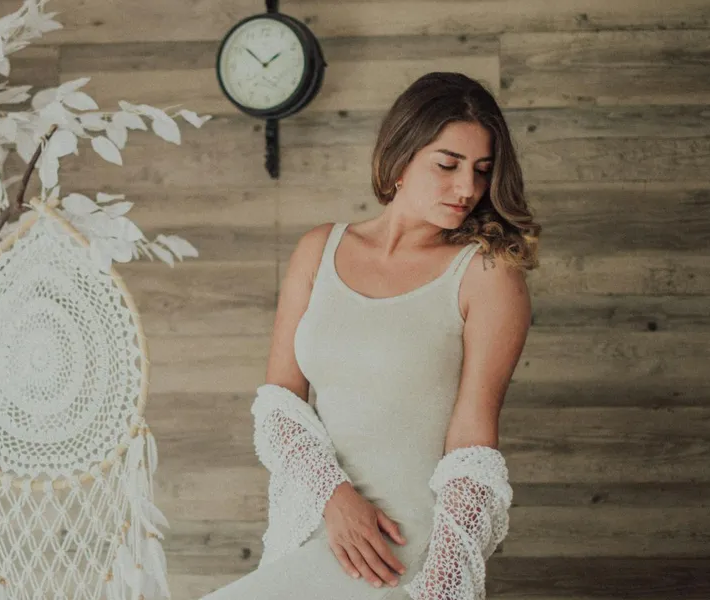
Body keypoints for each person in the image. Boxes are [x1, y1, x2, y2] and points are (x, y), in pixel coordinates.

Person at [201, 71, 540, 599]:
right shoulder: (319, 249)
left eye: (481, 170)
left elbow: (472, 443)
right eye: (447, 164)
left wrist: (442, 585)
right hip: (317, 523)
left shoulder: (487, 274)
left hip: (399, 547)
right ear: (400, 157)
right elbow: (279, 403)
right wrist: (332, 497)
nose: (467, 188)